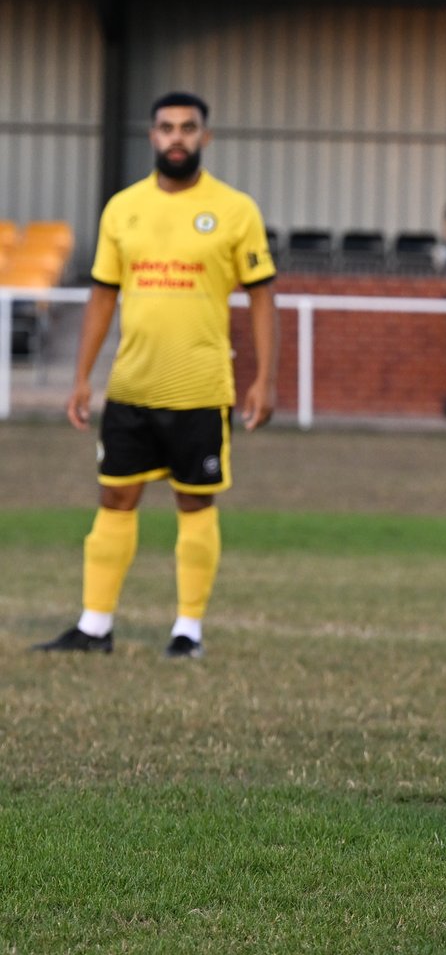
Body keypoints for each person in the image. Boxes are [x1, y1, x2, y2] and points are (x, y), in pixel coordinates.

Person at [34, 91, 278, 659]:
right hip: (130, 389)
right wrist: (81, 378)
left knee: (194, 505)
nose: (176, 137)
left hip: (201, 389)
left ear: (204, 138)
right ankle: (95, 627)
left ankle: (186, 631)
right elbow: (101, 296)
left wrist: (265, 378)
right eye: (166, 127)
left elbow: (263, 299)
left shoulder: (235, 208)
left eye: (188, 128)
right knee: (114, 499)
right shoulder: (122, 208)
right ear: (152, 135)